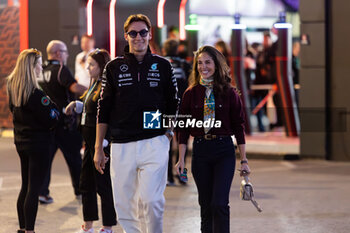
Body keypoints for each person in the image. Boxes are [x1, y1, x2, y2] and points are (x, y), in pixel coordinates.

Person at [94, 14, 179, 233]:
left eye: (143, 32)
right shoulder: (114, 67)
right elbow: (103, 108)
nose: (138, 37)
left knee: (151, 201)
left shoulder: (163, 66)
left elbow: (173, 103)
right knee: (123, 205)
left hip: (154, 141)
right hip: (121, 144)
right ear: (126, 36)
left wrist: (168, 133)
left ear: (150, 34)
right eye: (133, 33)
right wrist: (98, 148)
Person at [175, 45, 251, 233]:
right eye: (199, 63)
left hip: (223, 150)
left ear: (216, 65)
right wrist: (180, 159)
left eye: (207, 62)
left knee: (219, 203)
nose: (203, 67)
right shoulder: (190, 93)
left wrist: (244, 160)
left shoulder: (229, 93)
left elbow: (239, 126)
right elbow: (183, 130)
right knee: (206, 205)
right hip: (200, 151)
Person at [7, 49, 59, 233]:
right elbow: (52, 117)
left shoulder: (14, 89)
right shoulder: (36, 94)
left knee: (25, 185)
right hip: (38, 144)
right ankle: (30, 230)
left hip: (21, 142)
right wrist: (54, 108)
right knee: (33, 188)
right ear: (31, 66)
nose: (41, 66)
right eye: (39, 63)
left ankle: (23, 228)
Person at [65, 49, 117, 233]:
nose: (88, 67)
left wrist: (102, 146)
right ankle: (88, 226)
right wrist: (77, 105)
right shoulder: (94, 84)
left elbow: (109, 117)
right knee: (86, 184)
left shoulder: (107, 87)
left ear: (102, 66)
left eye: (92, 64)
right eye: (88, 63)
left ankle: (108, 227)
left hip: (100, 145)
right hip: (89, 144)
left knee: (103, 186)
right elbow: (90, 108)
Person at [37, 40, 87, 204]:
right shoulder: (60, 69)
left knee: (45, 159)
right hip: (65, 123)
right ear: (58, 53)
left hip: (47, 124)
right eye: (65, 51)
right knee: (74, 159)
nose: (66, 54)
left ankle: (42, 193)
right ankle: (81, 190)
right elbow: (74, 88)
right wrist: (92, 91)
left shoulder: (41, 70)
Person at [162, 38, 191, 186]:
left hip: (166, 110)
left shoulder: (161, 63)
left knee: (166, 143)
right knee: (183, 143)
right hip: (183, 108)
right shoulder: (185, 64)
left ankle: (168, 177)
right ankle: (182, 175)